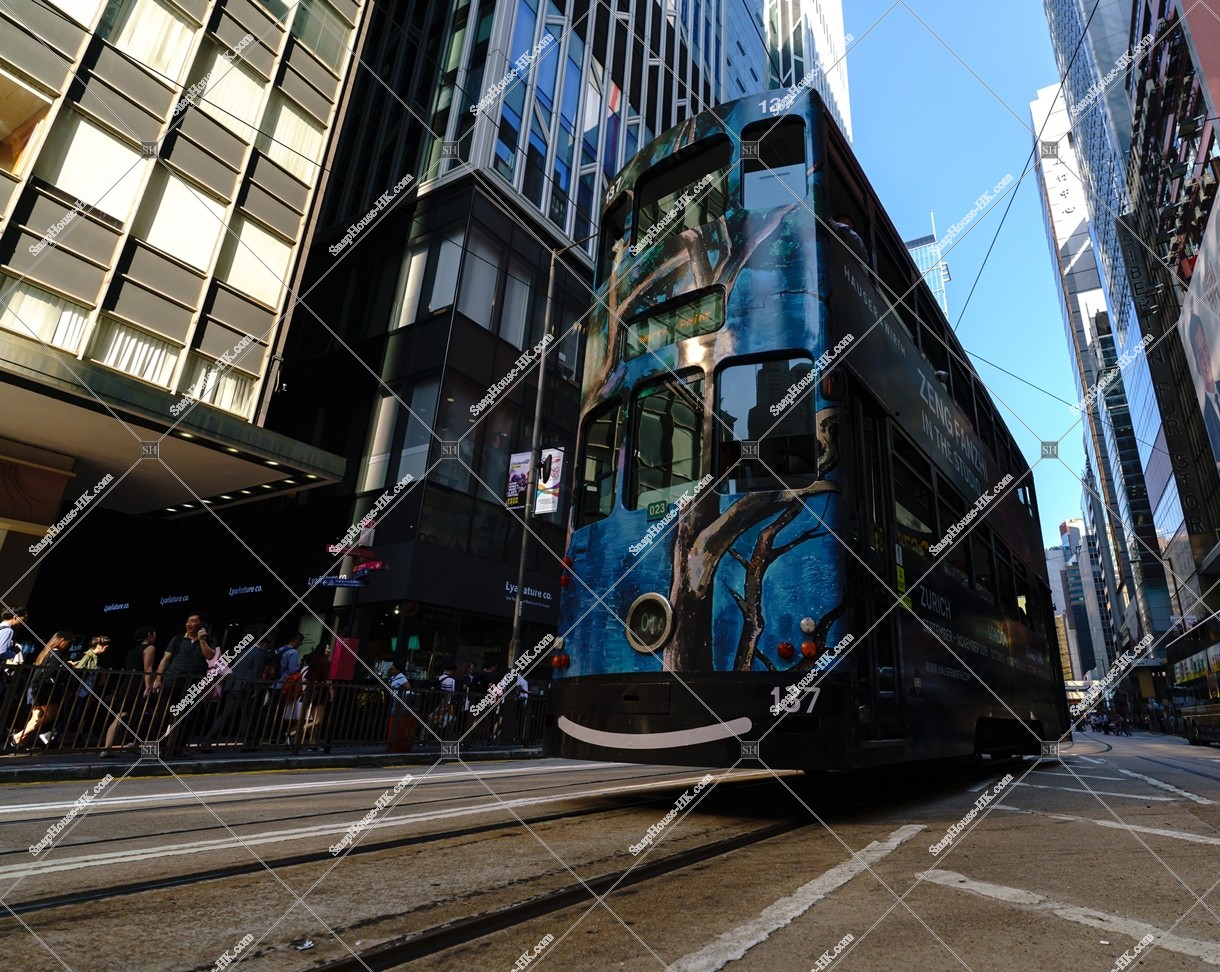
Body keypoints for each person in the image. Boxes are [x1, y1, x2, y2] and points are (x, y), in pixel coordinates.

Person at [152, 613, 217, 759]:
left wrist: (202, 640)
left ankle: (178, 749)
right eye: (188, 621)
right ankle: (157, 748)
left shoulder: (210, 640)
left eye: (193, 621)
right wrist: (158, 678)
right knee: (162, 716)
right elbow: (165, 659)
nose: (189, 623)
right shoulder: (177, 639)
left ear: (201, 624)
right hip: (172, 681)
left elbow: (210, 656)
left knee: (187, 717)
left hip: (193, 684)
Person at [7, 632, 73, 752]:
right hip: (44, 688)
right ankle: (17, 737)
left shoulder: (47, 651)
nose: (67, 646)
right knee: (51, 715)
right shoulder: (57, 652)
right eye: (67, 643)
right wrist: (66, 667)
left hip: (34, 686)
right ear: (62, 640)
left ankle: (19, 742)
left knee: (36, 717)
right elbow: (51, 671)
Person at [100, 626, 158, 756]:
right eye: (154, 634)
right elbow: (147, 669)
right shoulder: (150, 648)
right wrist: (149, 687)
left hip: (126, 684)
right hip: (138, 685)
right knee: (146, 715)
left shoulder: (132, 649)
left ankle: (109, 748)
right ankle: (143, 748)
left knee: (122, 715)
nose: (155, 637)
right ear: (149, 634)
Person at [202, 637, 266, 752]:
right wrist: (257, 688)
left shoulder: (242, 652)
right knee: (247, 716)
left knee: (226, 715)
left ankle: (207, 741)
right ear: (263, 644)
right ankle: (249, 743)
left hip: (232, 686)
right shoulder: (259, 653)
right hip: (245, 687)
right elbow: (257, 672)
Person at [1189, 316, 1220, 467]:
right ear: (1195, 361)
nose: (1205, 358)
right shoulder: (1203, 415)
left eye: (1205, 348)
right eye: (1199, 353)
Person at [294, 647, 331, 751]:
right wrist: (331, 692)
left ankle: (312, 744)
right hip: (320, 693)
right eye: (327, 647)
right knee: (317, 721)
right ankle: (292, 733)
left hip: (311, 694)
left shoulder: (313, 664)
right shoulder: (325, 663)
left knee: (314, 721)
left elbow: (306, 679)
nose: (329, 649)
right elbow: (328, 680)